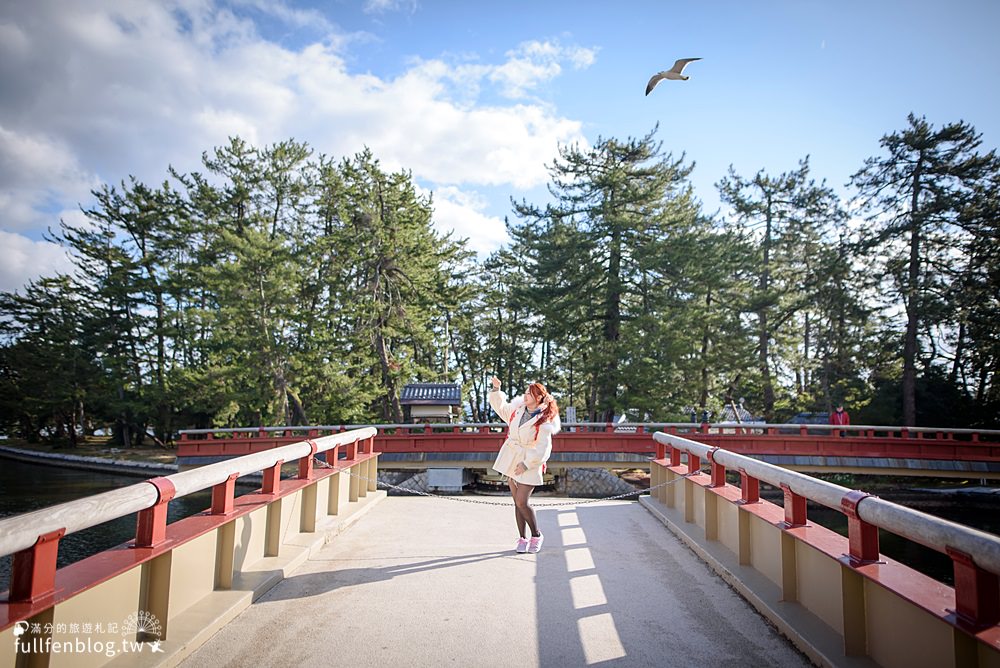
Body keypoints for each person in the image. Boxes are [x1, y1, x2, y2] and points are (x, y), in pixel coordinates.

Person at [488, 375, 560, 554]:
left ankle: (536, 535)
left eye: (530, 393)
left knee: (522, 501)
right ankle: (522, 538)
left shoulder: (544, 420)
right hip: (512, 458)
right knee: (517, 503)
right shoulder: (517, 411)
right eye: (526, 392)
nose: (526, 395)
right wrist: (497, 389)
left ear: (538, 398)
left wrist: (526, 464)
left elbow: (544, 448)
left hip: (529, 462)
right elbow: (501, 408)